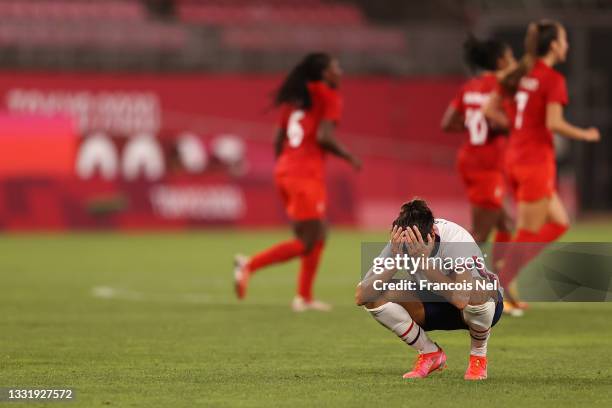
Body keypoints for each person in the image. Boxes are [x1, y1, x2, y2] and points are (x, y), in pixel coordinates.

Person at [484, 20, 601, 309]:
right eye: (563, 40)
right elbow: (553, 123)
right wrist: (585, 134)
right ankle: (498, 286)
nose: (567, 46)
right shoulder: (552, 80)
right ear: (553, 45)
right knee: (526, 232)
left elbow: (489, 109)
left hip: (514, 158)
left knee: (560, 223)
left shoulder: (518, 73)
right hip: (535, 162)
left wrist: (516, 127)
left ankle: (504, 276)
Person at [234, 52, 361, 311]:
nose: (340, 70)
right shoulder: (328, 96)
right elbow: (324, 137)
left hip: (285, 170)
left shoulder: (295, 98)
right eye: (336, 66)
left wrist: (285, 167)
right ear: (324, 73)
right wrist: (348, 156)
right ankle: (249, 264)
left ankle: (303, 297)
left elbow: (278, 138)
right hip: (305, 174)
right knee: (307, 241)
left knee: (318, 233)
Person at [355, 199, 503, 380]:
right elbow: (361, 296)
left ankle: (478, 357)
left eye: (416, 246)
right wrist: (396, 260)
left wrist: (424, 263)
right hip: (434, 303)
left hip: (480, 308)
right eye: (407, 246)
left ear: (432, 234)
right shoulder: (401, 239)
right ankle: (429, 353)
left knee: (478, 290)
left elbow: (461, 299)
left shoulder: (456, 238)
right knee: (375, 294)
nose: (411, 250)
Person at [441, 35, 516, 288]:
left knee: (506, 223)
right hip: (486, 164)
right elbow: (501, 120)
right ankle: (442, 280)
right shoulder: (501, 86)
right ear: (500, 61)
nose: (513, 62)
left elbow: (447, 123)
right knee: (480, 234)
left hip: (469, 159)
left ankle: (500, 282)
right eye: (510, 57)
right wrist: (510, 126)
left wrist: (474, 123)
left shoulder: (470, 86)